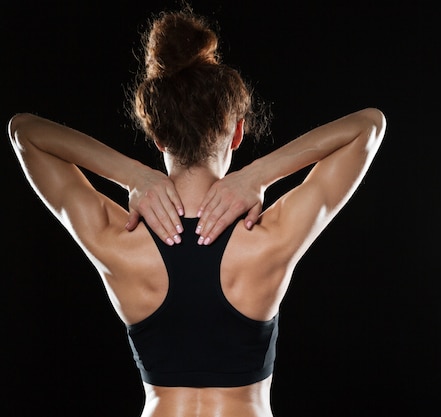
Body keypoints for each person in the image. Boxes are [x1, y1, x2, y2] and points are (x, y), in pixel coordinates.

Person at [8, 6, 386, 417]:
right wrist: (260, 175)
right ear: (238, 132)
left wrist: (129, 175)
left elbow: (24, 131)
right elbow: (369, 126)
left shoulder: (119, 240)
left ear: (156, 135)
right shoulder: (269, 236)